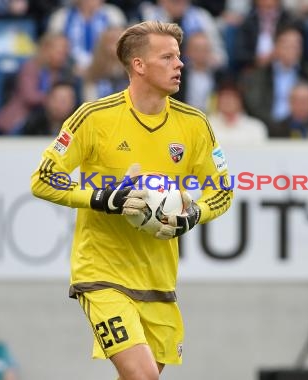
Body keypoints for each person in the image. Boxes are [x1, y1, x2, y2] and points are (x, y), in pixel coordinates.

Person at [30, 21, 233, 380]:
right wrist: (102, 198)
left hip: (159, 279)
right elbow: (44, 179)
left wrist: (195, 213)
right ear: (138, 65)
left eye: (179, 56)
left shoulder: (194, 124)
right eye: (168, 56)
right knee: (143, 376)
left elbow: (223, 189)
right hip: (103, 273)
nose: (179, 64)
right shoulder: (94, 118)